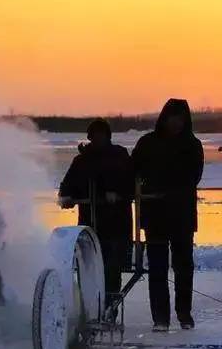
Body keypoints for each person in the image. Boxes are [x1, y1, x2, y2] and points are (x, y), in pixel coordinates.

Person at [132, 99, 204, 332]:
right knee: (157, 268)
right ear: (164, 118)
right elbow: (133, 171)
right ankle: (160, 318)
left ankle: (184, 313)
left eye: (181, 118)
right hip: (155, 215)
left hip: (182, 215)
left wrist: (169, 189)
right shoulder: (147, 143)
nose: (176, 123)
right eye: (172, 117)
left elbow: (194, 177)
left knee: (184, 267)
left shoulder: (193, 145)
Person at [59, 118, 133, 309]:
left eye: (102, 135)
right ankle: (90, 310)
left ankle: (109, 310)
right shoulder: (81, 161)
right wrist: (67, 197)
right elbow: (68, 186)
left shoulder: (120, 156)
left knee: (111, 271)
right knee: (87, 270)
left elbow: (130, 185)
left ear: (108, 136)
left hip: (116, 226)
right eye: (95, 136)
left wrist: (116, 194)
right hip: (89, 226)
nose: (98, 139)